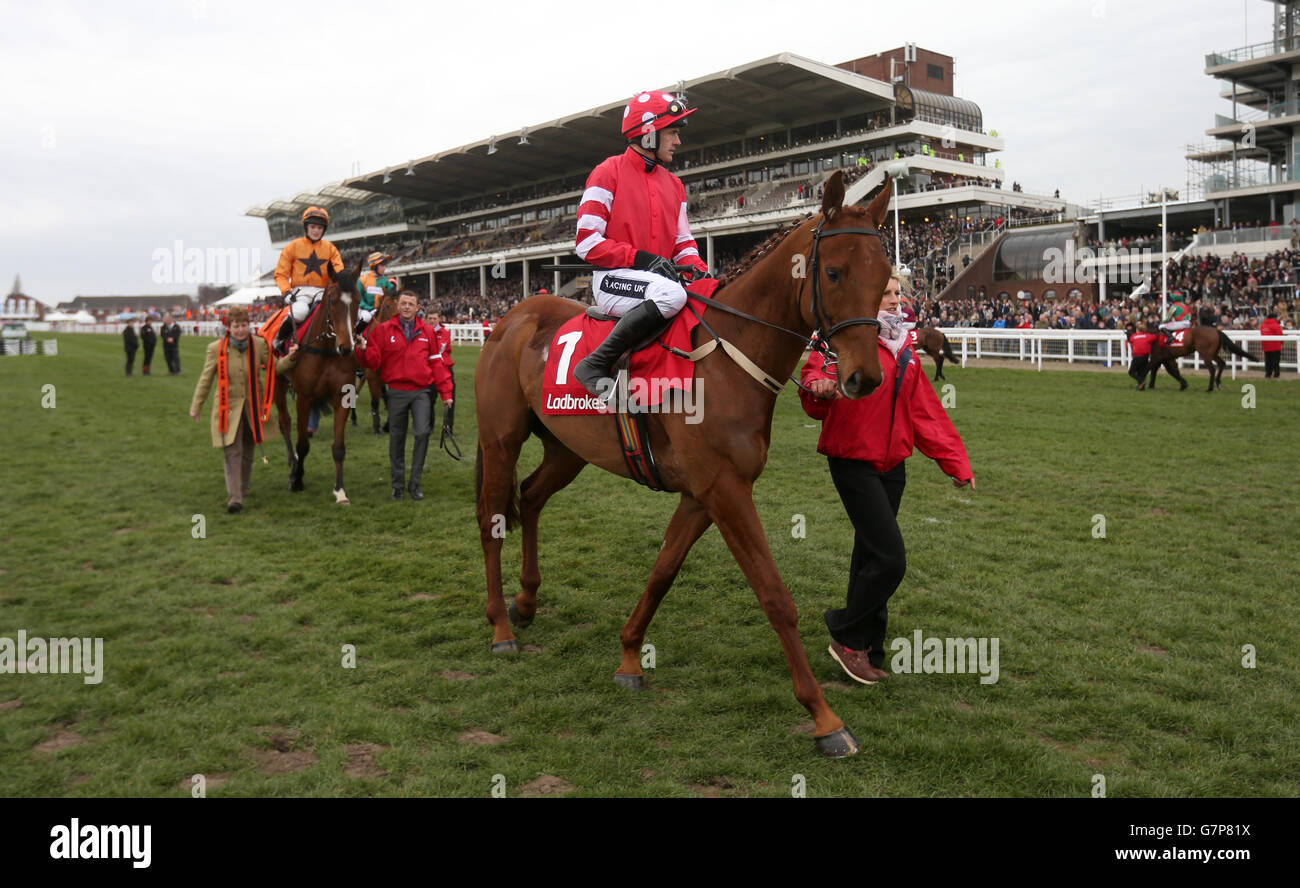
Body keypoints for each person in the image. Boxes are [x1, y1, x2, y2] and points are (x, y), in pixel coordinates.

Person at [799, 272, 974, 685]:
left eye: (898, 293)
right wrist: (817, 388)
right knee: (891, 559)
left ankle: (868, 648)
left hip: (893, 467)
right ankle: (844, 632)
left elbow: (925, 412)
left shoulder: (906, 348)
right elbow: (812, 382)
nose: (896, 300)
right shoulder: (839, 338)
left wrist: (956, 463)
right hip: (852, 461)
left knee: (870, 557)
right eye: (886, 293)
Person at [571, 91, 711, 397]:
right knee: (672, 294)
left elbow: (684, 244)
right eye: (673, 133)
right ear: (648, 133)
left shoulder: (674, 185)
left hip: (656, 282)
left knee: (709, 294)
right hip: (613, 280)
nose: (678, 142)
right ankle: (594, 364)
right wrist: (643, 259)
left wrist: (702, 273)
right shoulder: (607, 172)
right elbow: (587, 242)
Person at [355, 292, 453, 501]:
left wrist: (446, 393)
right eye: (403, 303)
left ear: (418, 308)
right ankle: (397, 485)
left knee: (422, 433)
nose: (407, 307)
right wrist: (363, 349)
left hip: (421, 391)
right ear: (397, 306)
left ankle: (415, 485)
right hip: (397, 392)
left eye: (411, 304)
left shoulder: (427, 331)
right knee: (396, 439)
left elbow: (437, 363)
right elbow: (373, 362)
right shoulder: (382, 331)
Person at [188, 306, 273, 513]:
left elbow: (274, 368)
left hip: (252, 408)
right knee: (232, 452)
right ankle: (234, 498)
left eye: (244, 325)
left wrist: (292, 357)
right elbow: (205, 379)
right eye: (236, 326)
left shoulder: (260, 345)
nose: (241, 330)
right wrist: (196, 406)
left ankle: (243, 488)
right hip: (228, 410)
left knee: (247, 451)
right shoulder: (216, 348)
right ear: (229, 327)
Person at [273, 206, 345, 353]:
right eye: (313, 226)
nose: (316, 230)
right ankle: (280, 338)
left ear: (323, 230)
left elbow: (339, 271)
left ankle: (344, 345)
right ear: (306, 227)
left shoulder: (330, 248)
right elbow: (281, 274)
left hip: (323, 292)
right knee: (299, 312)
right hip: (300, 291)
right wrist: (286, 292)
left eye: (319, 227)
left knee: (331, 313)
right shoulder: (293, 246)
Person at [357, 252, 397, 336]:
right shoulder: (362, 280)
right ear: (375, 266)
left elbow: (393, 296)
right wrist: (370, 308)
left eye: (385, 265)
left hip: (381, 311)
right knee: (366, 317)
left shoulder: (385, 281)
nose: (384, 268)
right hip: (365, 310)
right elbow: (359, 299)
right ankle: (356, 336)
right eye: (382, 265)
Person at [1125, 321, 1155, 389]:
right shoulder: (1148, 336)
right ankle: (1141, 387)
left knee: (1131, 372)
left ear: (1137, 330)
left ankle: (1141, 382)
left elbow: (1131, 340)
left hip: (1137, 357)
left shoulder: (1134, 336)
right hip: (1145, 357)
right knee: (1141, 372)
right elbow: (1154, 337)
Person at [1260, 311, 1284, 378]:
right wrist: (1282, 343)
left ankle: (1268, 374)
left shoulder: (1263, 325)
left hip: (1266, 346)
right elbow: (1280, 335)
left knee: (1268, 361)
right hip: (1276, 346)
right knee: (1276, 361)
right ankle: (1276, 374)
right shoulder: (1276, 325)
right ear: (1274, 318)